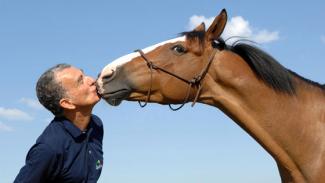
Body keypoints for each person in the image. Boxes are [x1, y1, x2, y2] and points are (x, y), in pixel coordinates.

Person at [14, 64, 103, 183]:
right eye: (80, 81)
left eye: (84, 74)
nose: (91, 80)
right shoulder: (49, 148)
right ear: (67, 103)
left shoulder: (96, 125)